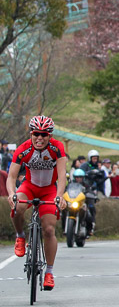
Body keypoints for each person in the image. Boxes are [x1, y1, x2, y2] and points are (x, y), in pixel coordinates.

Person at [5, 116, 67, 291]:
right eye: (36, 134)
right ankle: (20, 236)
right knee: (17, 206)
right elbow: (11, 177)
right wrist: (11, 194)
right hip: (29, 186)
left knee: (48, 229)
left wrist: (60, 196)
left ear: (49, 135)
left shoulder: (57, 148)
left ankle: (49, 272)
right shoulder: (23, 149)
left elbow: (62, 175)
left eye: (43, 135)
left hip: (49, 189)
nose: (39, 138)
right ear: (31, 134)